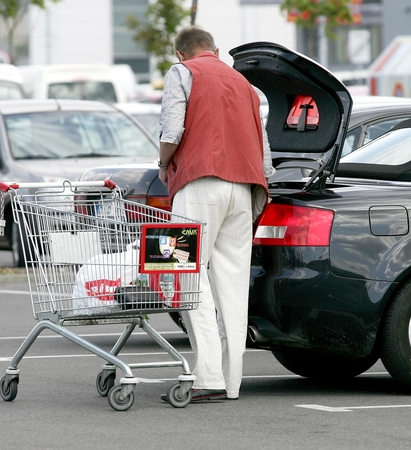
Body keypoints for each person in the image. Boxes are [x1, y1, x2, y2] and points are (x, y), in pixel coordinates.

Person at [158, 26, 274, 402]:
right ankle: (232, 380)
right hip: (243, 190)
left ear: (180, 54)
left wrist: (164, 164)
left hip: (197, 186)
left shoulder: (182, 73)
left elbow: (172, 130)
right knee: (233, 283)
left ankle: (206, 376)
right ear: (217, 50)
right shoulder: (246, 85)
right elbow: (265, 153)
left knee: (184, 274)